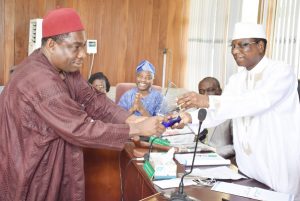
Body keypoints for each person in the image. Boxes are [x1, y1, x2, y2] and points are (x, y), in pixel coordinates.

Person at [0, 8, 167, 201]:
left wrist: (136, 119)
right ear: (52, 44)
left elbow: (93, 100)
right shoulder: (39, 79)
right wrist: (134, 128)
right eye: (76, 47)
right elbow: (79, 127)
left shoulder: (61, 67)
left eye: (84, 46)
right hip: (32, 165)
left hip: (49, 161)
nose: (83, 55)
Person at [178, 22, 300, 199]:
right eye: (233, 46)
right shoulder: (236, 79)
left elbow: (257, 102)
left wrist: (207, 100)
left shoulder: (281, 72)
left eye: (243, 45)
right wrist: (188, 117)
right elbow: (222, 110)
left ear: (260, 46)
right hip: (248, 166)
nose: (235, 51)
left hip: (277, 162)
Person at [198, 77, 234, 159]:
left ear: (219, 92)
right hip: (197, 157)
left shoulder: (230, 114)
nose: (205, 95)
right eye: (201, 92)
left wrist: (215, 151)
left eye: (209, 90)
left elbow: (238, 147)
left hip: (221, 158)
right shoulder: (200, 111)